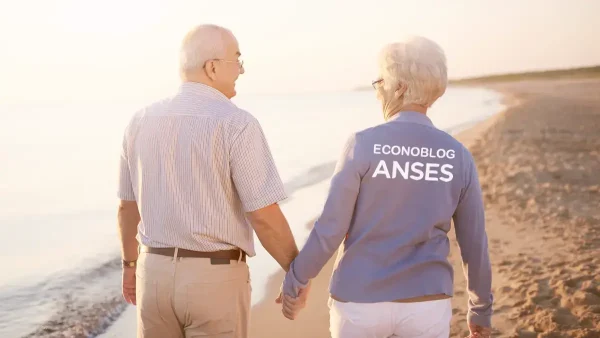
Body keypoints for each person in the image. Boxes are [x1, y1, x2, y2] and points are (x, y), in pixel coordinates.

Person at [281, 36, 494, 338]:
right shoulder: (457, 155)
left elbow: (331, 228)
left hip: (359, 302)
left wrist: (296, 281)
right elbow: (474, 242)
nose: (377, 89)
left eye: (379, 80)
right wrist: (481, 309)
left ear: (400, 87)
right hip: (427, 304)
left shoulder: (362, 144)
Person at [117, 24, 306, 338]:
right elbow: (263, 216)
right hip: (213, 281)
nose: (242, 70)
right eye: (237, 59)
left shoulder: (139, 120)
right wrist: (296, 271)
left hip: (153, 277)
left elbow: (126, 208)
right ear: (213, 67)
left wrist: (129, 265)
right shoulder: (236, 123)